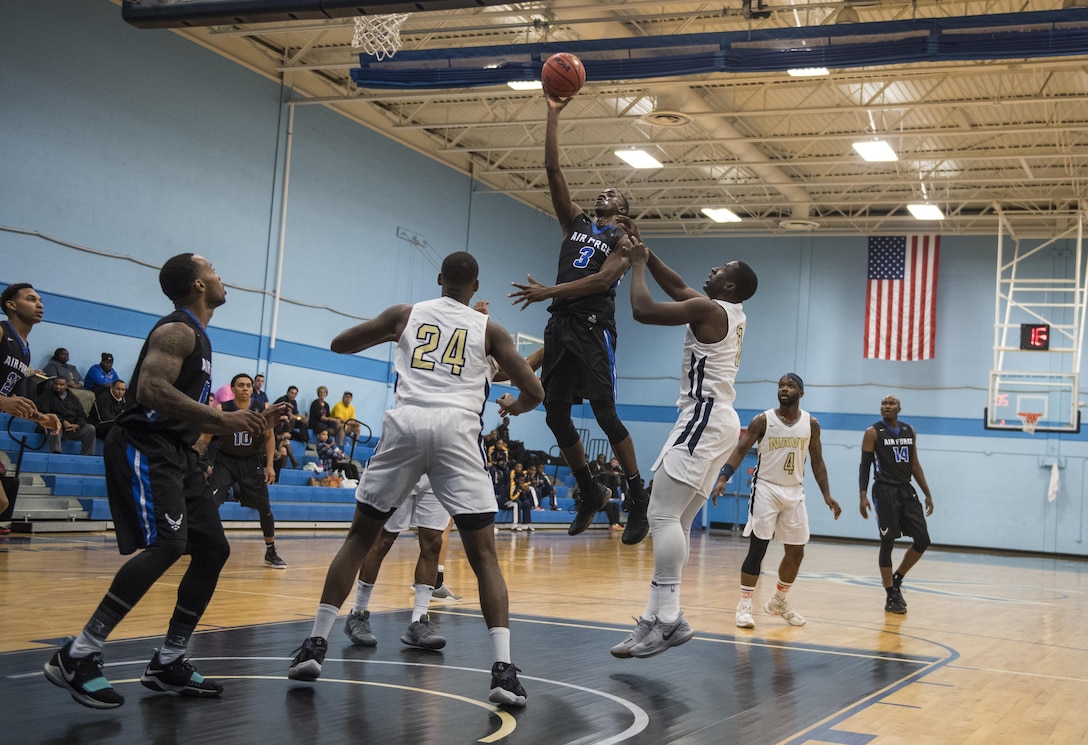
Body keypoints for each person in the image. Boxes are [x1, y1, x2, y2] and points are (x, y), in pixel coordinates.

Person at [288, 251, 543, 708]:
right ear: (476, 285)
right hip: (457, 429)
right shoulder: (489, 330)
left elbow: (340, 344)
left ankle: (315, 645)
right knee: (484, 556)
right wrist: (516, 406)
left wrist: (389, 331)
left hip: (406, 423)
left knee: (359, 538)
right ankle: (503, 671)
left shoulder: (407, 313)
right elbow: (534, 389)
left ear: (440, 279)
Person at [44, 254, 285, 709]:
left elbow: (187, 412)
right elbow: (151, 392)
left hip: (178, 455)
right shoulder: (176, 330)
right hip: (145, 445)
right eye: (214, 269)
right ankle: (79, 653)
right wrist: (224, 417)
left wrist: (247, 421)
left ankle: (169, 660)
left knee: (213, 548)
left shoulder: (201, 337)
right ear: (198, 283)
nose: (221, 275)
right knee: (168, 545)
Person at [507, 91, 650, 545]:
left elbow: (598, 282)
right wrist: (552, 114)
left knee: (606, 415)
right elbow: (553, 170)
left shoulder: (625, 245)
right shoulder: (575, 223)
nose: (603, 193)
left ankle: (637, 497)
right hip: (561, 325)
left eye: (613, 193)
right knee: (554, 413)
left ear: (623, 211)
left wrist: (547, 291)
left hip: (592, 327)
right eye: (602, 192)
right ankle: (590, 489)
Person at [611, 239, 758, 659]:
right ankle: (654, 616)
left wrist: (636, 267)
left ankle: (671, 618)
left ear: (730, 287)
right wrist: (647, 251)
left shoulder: (711, 310)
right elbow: (676, 286)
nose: (712, 268)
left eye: (721, 266)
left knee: (659, 514)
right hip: (718, 419)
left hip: (703, 418)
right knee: (677, 519)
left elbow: (644, 310)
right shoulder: (723, 310)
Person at [714, 373, 841, 630]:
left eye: (790, 385)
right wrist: (723, 477)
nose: (784, 388)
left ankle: (779, 601)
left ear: (800, 393)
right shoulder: (763, 420)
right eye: (781, 385)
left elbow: (817, 460)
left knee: (797, 551)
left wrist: (827, 494)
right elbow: (740, 449)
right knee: (758, 548)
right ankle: (745, 606)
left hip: (794, 491)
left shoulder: (811, 424)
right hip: (766, 489)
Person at [343, 476, 453, 649]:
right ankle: (358, 613)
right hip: (403, 466)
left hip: (436, 472)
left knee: (433, 544)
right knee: (383, 540)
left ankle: (419, 620)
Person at [859, 395, 935, 615]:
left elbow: (914, 464)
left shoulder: (909, 431)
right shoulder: (873, 432)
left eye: (891, 404)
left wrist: (927, 493)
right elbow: (865, 467)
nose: (887, 407)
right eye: (884, 404)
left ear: (899, 408)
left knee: (923, 539)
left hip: (906, 490)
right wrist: (862, 494)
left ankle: (898, 577)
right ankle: (891, 594)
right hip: (884, 491)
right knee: (887, 542)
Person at [207, 372, 286, 569]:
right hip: (226, 460)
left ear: (253, 389)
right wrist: (202, 461)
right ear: (232, 389)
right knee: (210, 502)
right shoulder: (222, 408)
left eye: (248, 385)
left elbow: (269, 437)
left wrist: (269, 466)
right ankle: (201, 542)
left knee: (264, 508)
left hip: (251, 462)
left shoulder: (261, 409)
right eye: (241, 385)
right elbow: (207, 435)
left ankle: (271, 551)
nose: (245, 388)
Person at [0, 283, 61, 529]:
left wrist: (40, 417)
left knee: (2, 503)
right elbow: (4, 400)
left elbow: (12, 401)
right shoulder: (2, 332)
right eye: (31, 299)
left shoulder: (24, 351)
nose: (40, 304)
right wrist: (3, 400)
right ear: (11, 305)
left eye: (40, 300)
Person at [39, 377, 96, 456]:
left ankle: (87, 456)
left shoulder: (72, 397)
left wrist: (77, 425)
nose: (58, 386)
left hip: (72, 428)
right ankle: (55, 454)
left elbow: (82, 415)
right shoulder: (46, 395)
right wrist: (62, 422)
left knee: (90, 429)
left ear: (66, 386)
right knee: (54, 426)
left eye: (61, 384)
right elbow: (45, 413)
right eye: (56, 384)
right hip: (56, 426)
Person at [43, 347, 95, 412]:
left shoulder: (72, 367)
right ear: (56, 356)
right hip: (64, 388)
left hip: (76, 387)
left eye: (67, 354)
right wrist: (69, 384)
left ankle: (83, 415)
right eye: (63, 354)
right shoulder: (52, 366)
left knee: (90, 394)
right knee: (78, 395)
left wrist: (79, 385)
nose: (66, 356)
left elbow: (81, 379)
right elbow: (53, 379)